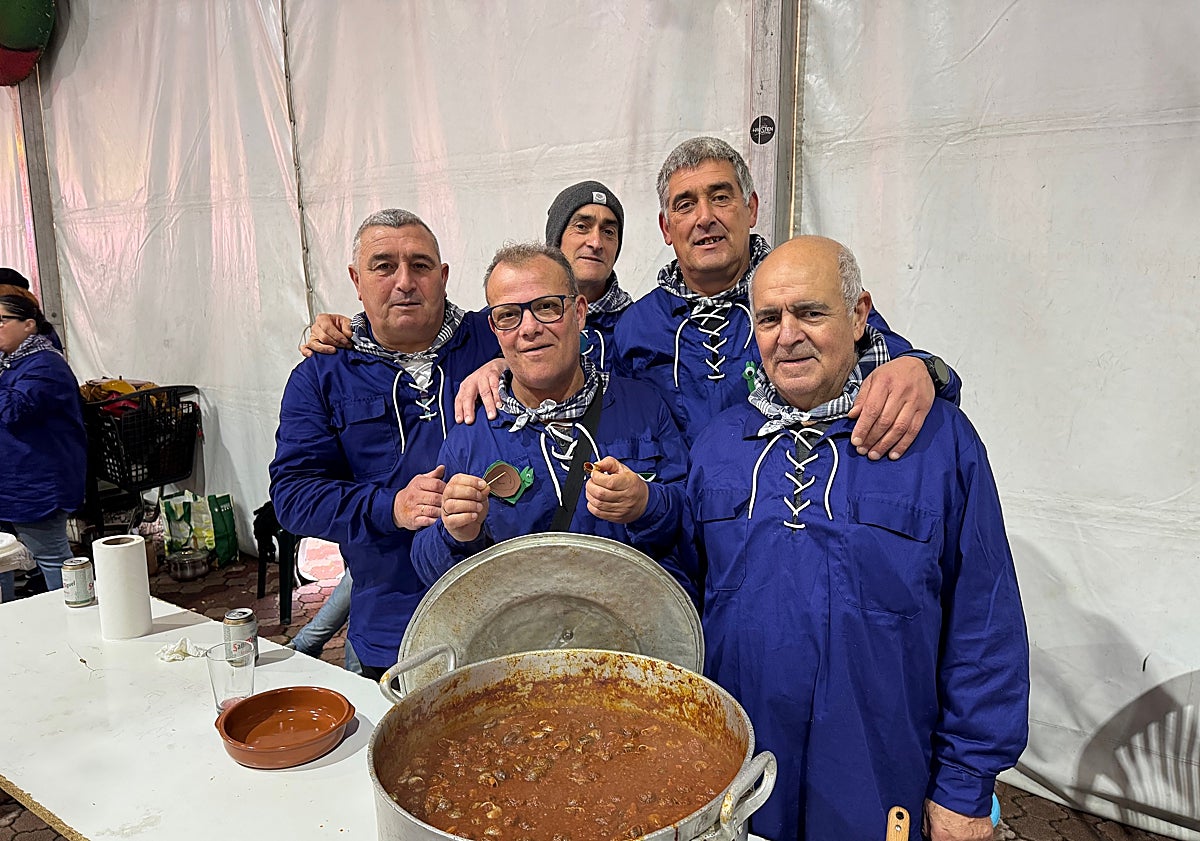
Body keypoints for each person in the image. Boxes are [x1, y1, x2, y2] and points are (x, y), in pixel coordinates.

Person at [686, 236, 1028, 841]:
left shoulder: (937, 441)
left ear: (859, 314)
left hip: (879, 781)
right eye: (769, 318)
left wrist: (965, 789)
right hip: (738, 786)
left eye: (811, 313)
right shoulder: (718, 446)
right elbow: (685, 606)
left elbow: (984, 621)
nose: (787, 334)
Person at [613, 136, 961, 454]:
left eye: (720, 197)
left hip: (782, 504)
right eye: (685, 205)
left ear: (751, 208)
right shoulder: (636, 327)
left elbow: (890, 354)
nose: (705, 217)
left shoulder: (803, 292)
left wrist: (923, 369)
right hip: (676, 515)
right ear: (665, 227)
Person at [269, 209, 499, 679]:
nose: (404, 281)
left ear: (444, 276)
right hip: (395, 622)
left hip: (505, 609)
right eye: (383, 266)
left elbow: (575, 325)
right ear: (356, 280)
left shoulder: (498, 334)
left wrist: (507, 364)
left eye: (420, 265)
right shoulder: (323, 375)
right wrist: (388, 506)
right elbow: (292, 496)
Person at [410, 242, 695, 601]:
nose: (528, 328)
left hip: (631, 639)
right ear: (495, 329)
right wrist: (455, 535)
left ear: (578, 312)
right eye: (509, 315)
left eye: (546, 307)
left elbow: (691, 519)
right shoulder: (471, 434)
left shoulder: (642, 407)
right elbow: (426, 567)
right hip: (526, 645)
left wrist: (647, 504)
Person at [0, 285, 87, 601]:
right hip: (16, 480)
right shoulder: (10, 361)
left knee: (53, 558)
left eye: (1, 320)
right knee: (24, 556)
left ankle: (76, 621)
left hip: (37, 483)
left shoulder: (45, 365)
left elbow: (13, 411)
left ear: (29, 324)